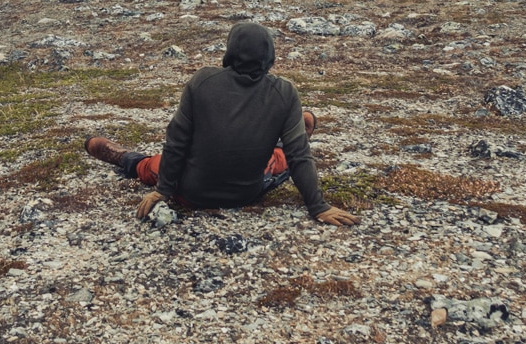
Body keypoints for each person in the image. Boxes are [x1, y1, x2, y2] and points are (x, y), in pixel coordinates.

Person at [85, 21, 359, 226]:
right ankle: (281, 135)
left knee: (153, 164)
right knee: (287, 153)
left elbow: (177, 143)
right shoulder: (285, 92)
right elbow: (301, 156)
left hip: (191, 192)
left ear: (230, 51)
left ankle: (126, 159)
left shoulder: (202, 81)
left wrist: (163, 191)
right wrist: (318, 206)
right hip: (247, 192)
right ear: (270, 57)